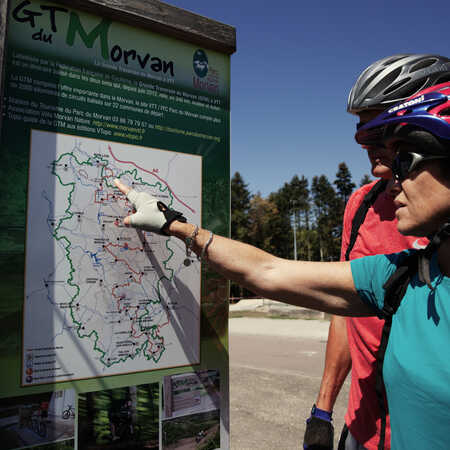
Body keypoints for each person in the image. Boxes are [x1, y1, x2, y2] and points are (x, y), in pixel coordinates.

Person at [113, 82, 450, 449]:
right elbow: (268, 272)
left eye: (404, 160)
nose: (389, 177)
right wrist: (174, 225)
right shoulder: (402, 274)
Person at [304, 54, 450, 450]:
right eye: (363, 136)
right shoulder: (361, 205)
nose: (373, 152)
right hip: (361, 429)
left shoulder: (435, 210)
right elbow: (343, 309)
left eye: (385, 132)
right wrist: (322, 409)